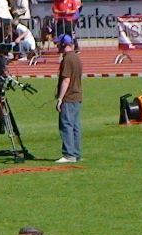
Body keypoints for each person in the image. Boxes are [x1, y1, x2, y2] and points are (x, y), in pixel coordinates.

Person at [54, 33, 81, 163]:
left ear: (63, 44)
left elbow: (66, 80)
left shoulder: (67, 59)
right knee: (75, 126)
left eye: (58, 44)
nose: (56, 46)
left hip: (69, 97)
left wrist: (60, 98)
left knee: (66, 125)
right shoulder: (76, 57)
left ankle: (69, 154)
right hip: (77, 96)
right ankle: (76, 153)